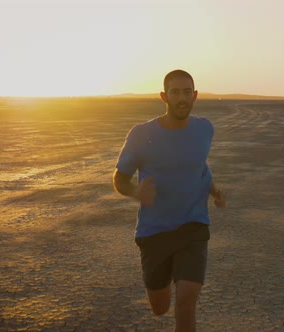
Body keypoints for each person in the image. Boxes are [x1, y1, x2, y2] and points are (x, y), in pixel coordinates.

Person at [113, 69, 226, 331]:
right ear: (164, 97)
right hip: (154, 233)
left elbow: (200, 166)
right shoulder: (142, 134)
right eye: (175, 92)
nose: (182, 98)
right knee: (160, 307)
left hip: (193, 227)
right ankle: (159, 291)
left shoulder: (205, 129)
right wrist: (135, 192)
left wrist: (214, 190)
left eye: (187, 92)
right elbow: (120, 179)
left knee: (186, 302)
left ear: (195, 95)